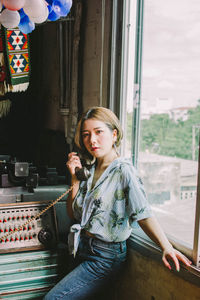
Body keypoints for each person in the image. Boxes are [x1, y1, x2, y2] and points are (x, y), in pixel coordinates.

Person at [44, 106, 192, 300]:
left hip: (105, 257)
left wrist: (166, 247)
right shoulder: (91, 169)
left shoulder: (124, 170)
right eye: (86, 135)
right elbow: (74, 215)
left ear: (114, 135)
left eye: (99, 132)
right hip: (83, 247)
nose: (92, 140)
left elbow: (143, 213)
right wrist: (74, 180)